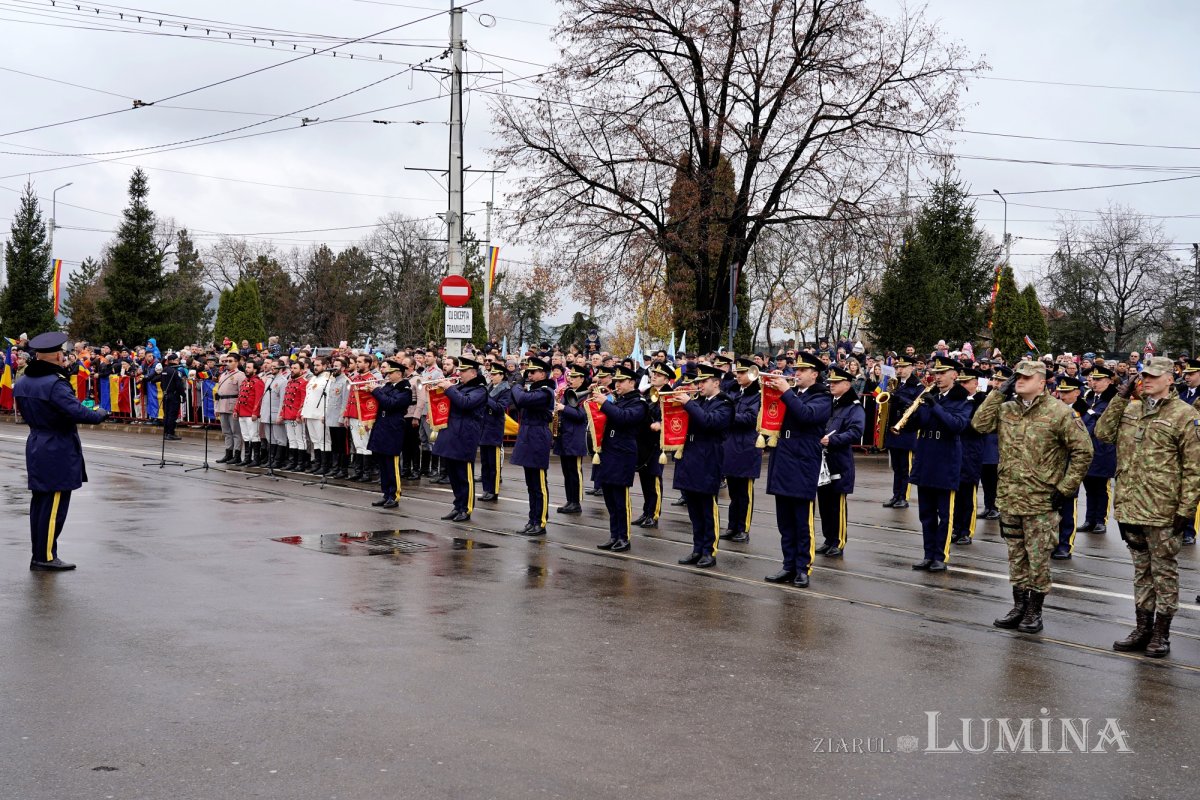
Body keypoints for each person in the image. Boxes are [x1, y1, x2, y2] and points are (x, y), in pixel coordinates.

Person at [972, 360, 1093, 634]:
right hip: (1010, 496)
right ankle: (1019, 606)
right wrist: (998, 392)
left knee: (1038, 558)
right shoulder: (1006, 409)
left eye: (1026, 377)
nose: (1019, 380)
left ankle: (1034, 611)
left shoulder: (1060, 412)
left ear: (1041, 382)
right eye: (1017, 376)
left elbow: (1083, 452)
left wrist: (1065, 488)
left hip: (1041, 499)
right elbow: (979, 424)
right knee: (1016, 556)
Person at [1097, 356, 1200, 659]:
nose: (1147, 381)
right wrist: (1119, 397)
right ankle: (1142, 628)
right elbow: (1102, 433)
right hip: (1131, 506)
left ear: (1170, 379)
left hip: (1163, 509)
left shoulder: (1185, 414)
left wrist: (1186, 509)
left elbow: (1194, 468)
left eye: (1154, 376)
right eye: (1144, 376)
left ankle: (1161, 633)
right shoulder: (1130, 409)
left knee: (1164, 572)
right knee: (1141, 572)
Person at [14, 332, 110, 570]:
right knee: (54, 505)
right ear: (57, 356)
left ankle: (40, 553)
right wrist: (99, 414)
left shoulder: (24, 381)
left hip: (37, 441)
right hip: (56, 446)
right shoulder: (54, 383)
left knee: (40, 504)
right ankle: (45, 557)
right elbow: (76, 411)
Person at [763, 353, 832, 587]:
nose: (797, 373)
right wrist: (770, 388)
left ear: (815, 374)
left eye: (802, 370)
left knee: (802, 522)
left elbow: (806, 415)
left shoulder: (822, 396)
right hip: (783, 459)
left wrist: (785, 391)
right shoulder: (792, 393)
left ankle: (803, 568)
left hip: (803, 462)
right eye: (797, 369)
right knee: (785, 522)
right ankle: (788, 565)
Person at [908, 355, 972, 572]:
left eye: (942, 373)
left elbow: (956, 425)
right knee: (926, 514)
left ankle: (940, 556)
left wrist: (934, 406)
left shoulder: (962, 400)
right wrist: (910, 411)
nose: (938, 377)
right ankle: (928, 555)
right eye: (936, 373)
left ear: (954, 375)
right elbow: (918, 424)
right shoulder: (930, 396)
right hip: (926, 459)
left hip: (946, 461)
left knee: (945, 515)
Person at [672, 364, 734, 568]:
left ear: (716, 383)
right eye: (698, 381)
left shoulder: (724, 403)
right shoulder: (698, 401)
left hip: (708, 458)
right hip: (690, 457)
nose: (699, 385)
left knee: (707, 509)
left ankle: (709, 551)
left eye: (703, 381)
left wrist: (689, 403)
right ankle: (697, 548)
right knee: (694, 510)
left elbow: (708, 422)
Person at [592, 364, 648, 551]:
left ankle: (624, 537)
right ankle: (614, 535)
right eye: (616, 381)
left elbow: (624, 418)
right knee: (609, 498)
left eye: (621, 381)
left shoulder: (639, 402)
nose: (617, 385)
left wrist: (605, 403)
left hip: (623, 453)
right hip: (609, 451)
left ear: (632, 382)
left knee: (620, 499)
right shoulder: (619, 399)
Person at [430, 355, 487, 522]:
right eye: (459, 370)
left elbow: (465, 403)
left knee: (464, 475)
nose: (459, 373)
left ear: (473, 373)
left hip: (465, 436)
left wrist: (449, 388)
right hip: (451, 433)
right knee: (454, 475)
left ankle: (466, 508)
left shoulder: (480, 390)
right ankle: (457, 505)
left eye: (463, 371)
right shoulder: (460, 386)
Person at [816, 365, 865, 557]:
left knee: (837, 504)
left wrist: (833, 440)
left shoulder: (854, 407)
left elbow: (856, 431)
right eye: (830, 382)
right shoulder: (829, 402)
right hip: (823, 460)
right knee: (824, 503)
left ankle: (838, 541)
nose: (831, 385)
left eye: (836, 382)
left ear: (847, 384)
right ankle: (828, 539)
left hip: (839, 460)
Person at [509, 357, 557, 536]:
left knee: (539, 484)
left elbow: (521, 399)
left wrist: (517, 384)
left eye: (533, 372)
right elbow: (517, 401)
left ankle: (540, 521)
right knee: (531, 483)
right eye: (528, 372)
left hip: (537, 436)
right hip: (528, 435)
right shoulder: (535, 390)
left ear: (543, 374)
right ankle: (532, 519)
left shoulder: (545, 392)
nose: (529, 375)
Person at [720, 357, 762, 544]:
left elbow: (751, 418)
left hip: (746, 447)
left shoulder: (758, 395)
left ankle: (743, 528)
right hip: (731, 446)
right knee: (734, 492)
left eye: (743, 372)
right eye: (737, 372)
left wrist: (728, 416)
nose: (738, 376)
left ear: (752, 374)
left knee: (745, 493)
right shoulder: (736, 392)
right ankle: (732, 526)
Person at [1050, 374, 1087, 559]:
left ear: (1077, 393)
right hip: (1050, 468)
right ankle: (1050, 542)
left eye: (1067, 392)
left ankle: (1065, 545)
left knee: (1066, 509)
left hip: (1068, 468)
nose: (1062, 396)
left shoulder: (1083, 412)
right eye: (1060, 392)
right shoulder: (1053, 410)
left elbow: (1083, 446)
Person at [368, 359, 414, 509]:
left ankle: (394, 495)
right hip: (382, 426)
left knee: (392, 464)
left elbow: (390, 404)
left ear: (399, 374)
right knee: (382, 463)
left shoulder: (405, 390)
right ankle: (386, 493)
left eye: (390, 373)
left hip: (393, 428)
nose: (387, 375)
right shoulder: (388, 386)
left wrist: (375, 390)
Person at [632, 363, 672, 528]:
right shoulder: (648, 392)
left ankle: (654, 514)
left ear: (666, 379)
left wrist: (661, 423)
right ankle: (646, 511)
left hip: (657, 442)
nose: (654, 376)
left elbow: (673, 417)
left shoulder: (669, 395)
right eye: (653, 373)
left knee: (654, 478)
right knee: (644, 478)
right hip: (644, 441)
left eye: (658, 375)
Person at [951, 367, 986, 545]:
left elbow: (978, 426)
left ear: (976, 383)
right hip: (956, 449)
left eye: (966, 382)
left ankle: (966, 531)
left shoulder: (981, 401)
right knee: (955, 493)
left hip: (971, 450)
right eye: (961, 382)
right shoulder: (957, 399)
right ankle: (956, 528)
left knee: (968, 493)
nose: (963, 385)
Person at [881, 354, 921, 509]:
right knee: (896, 467)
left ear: (912, 367)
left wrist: (899, 399)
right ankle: (896, 495)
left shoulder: (917, 386)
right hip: (893, 429)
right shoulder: (895, 384)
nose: (900, 370)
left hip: (907, 431)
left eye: (903, 367)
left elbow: (917, 406)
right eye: (898, 367)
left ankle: (904, 497)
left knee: (905, 468)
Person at [553, 366, 588, 513]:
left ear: (582, 379)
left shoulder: (585, 395)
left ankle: (576, 502)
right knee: (567, 472)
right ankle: (569, 500)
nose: (570, 379)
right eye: (570, 377)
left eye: (574, 377)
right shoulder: (567, 391)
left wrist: (563, 408)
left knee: (575, 472)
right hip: (564, 436)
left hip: (575, 437)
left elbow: (581, 415)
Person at [479, 363, 514, 503]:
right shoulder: (489, 387)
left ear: (501, 376)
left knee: (493, 463)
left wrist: (486, 398)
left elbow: (500, 408)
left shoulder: (505, 390)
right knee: (485, 462)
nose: (491, 376)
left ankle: (493, 491)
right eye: (491, 374)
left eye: (494, 374)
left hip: (494, 429)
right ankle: (486, 489)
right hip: (484, 427)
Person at [301, 356, 333, 475]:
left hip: (320, 414)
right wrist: (304, 412)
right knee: (315, 440)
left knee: (324, 441)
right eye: (314, 365)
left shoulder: (328, 379)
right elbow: (308, 396)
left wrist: (326, 414)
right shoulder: (313, 378)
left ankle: (325, 465)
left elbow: (329, 398)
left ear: (325, 366)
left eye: (318, 365)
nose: (315, 367)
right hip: (310, 413)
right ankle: (318, 463)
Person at [214, 353, 246, 464]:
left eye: (230, 361)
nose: (227, 363)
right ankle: (228, 453)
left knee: (236, 432)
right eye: (226, 361)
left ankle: (237, 455)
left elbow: (242, 394)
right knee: (226, 432)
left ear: (237, 362)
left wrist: (238, 408)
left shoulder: (240, 375)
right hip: (222, 405)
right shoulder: (223, 375)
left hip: (233, 405)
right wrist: (216, 408)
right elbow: (218, 393)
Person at [234, 359, 265, 467]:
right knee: (246, 436)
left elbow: (258, 399)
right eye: (246, 367)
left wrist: (255, 413)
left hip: (251, 413)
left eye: (249, 367)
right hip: (242, 412)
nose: (246, 369)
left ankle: (256, 459)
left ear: (255, 370)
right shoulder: (245, 381)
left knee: (254, 436)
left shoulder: (258, 382)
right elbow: (240, 397)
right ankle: (247, 458)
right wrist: (236, 410)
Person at [259, 357, 289, 468]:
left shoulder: (283, 381)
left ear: (280, 368)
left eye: (274, 367)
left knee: (280, 438)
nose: (272, 368)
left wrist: (280, 415)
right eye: (271, 366)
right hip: (267, 413)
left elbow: (283, 400)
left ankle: (278, 460)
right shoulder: (269, 379)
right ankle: (271, 459)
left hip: (276, 414)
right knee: (270, 438)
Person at [280, 359, 309, 471]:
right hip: (288, 414)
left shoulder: (304, 382)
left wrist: (299, 414)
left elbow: (304, 400)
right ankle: (293, 462)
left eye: (295, 368)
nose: (292, 370)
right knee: (292, 439)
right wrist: (282, 413)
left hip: (296, 415)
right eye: (291, 368)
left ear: (302, 370)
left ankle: (301, 463)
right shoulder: (290, 382)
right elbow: (285, 400)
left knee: (300, 439)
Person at [160, 352, 186, 440]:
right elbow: (179, 385)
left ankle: (166, 433)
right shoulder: (175, 371)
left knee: (166, 414)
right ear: (172, 361)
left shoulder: (164, 370)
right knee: (172, 414)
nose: (178, 361)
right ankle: (170, 433)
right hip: (173, 395)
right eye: (177, 360)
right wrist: (183, 395)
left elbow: (161, 384)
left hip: (165, 394)